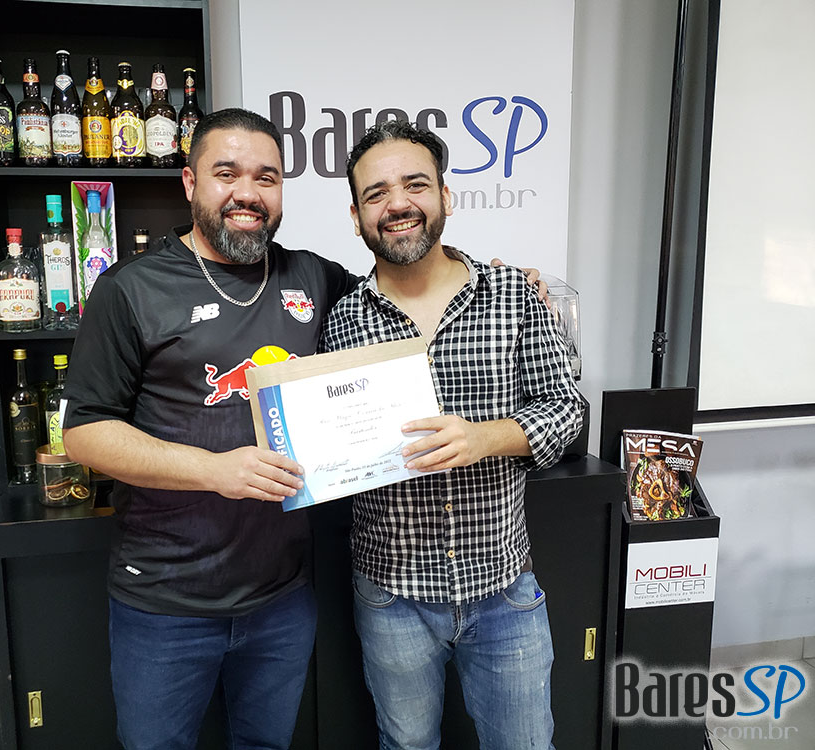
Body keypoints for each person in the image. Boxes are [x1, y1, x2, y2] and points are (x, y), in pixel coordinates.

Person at [62, 108, 547, 750]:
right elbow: (84, 433)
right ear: (190, 182)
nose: (247, 193)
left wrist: (505, 283)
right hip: (164, 598)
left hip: (281, 598)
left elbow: (403, 284)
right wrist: (214, 470)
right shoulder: (130, 288)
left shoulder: (315, 279)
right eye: (226, 173)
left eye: (266, 177)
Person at [319, 120, 583, 750]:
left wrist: (484, 438)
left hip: (503, 588)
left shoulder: (514, 295)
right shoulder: (341, 321)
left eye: (415, 185)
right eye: (376, 193)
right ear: (356, 217)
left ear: (445, 196)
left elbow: (567, 410)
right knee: (405, 745)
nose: (398, 204)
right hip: (391, 595)